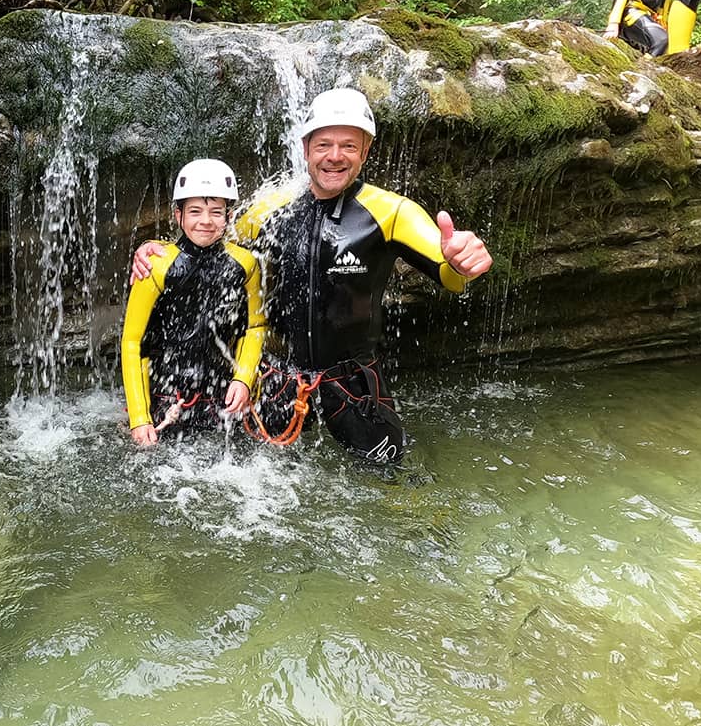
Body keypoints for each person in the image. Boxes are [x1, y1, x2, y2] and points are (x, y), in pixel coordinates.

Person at [132, 89, 492, 464]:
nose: (334, 156)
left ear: (366, 151)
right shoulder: (270, 208)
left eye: (348, 146)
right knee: (259, 478)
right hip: (278, 380)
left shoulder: (392, 212)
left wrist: (459, 262)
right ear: (305, 149)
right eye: (324, 144)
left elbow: (448, 268)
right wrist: (154, 247)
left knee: (387, 473)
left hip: (352, 383)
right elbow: (211, 241)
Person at [120, 158, 266, 446]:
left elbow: (255, 326)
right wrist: (139, 417)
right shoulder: (156, 265)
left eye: (216, 212)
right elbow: (132, 342)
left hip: (221, 396)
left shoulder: (245, 264)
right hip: (165, 397)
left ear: (229, 216)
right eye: (195, 211)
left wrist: (244, 378)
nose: (206, 221)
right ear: (178, 215)